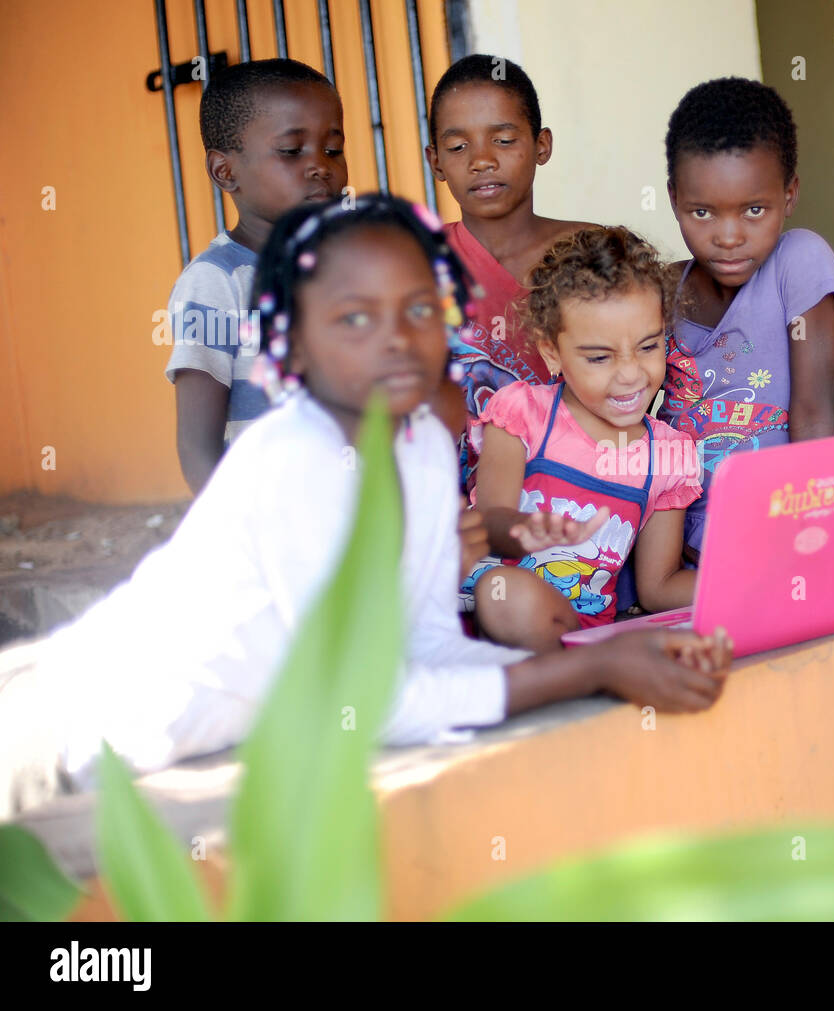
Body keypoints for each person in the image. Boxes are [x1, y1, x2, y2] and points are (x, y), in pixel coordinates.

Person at [0, 195, 731, 821]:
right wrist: (588, 673)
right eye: (354, 317)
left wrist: (609, 653)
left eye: (418, 308)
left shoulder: (416, 443)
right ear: (293, 341)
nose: (395, 338)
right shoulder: (294, 462)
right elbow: (367, 698)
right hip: (77, 735)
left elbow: (425, 641)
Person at [462, 227, 703, 651]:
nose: (631, 374)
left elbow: (658, 588)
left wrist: (754, 577)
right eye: (599, 357)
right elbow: (489, 524)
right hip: (495, 606)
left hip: (581, 631)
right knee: (507, 591)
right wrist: (525, 529)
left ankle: (575, 670)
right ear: (552, 353)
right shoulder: (523, 415)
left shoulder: (668, 454)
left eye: (648, 347)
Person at [658, 77, 834, 562]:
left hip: (778, 519)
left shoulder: (798, 262)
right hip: (672, 526)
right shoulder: (660, 290)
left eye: (754, 210)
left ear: (789, 195)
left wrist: (820, 540)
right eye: (701, 211)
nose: (728, 236)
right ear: (673, 197)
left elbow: (812, 413)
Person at [165, 58, 348, 493]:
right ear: (225, 171)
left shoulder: (350, 268)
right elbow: (196, 444)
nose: (319, 166)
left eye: (333, 149)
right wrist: (232, 534)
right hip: (274, 528)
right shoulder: (216, 281)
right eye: (291, 151)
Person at [424, 54, 595, 480]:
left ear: (542, 145)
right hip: (461, 516)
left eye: (503, 140)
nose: (481, 160)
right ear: (436, 162)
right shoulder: (415, 264)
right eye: (459, 146)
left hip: (587, 502)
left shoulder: (594, 251)